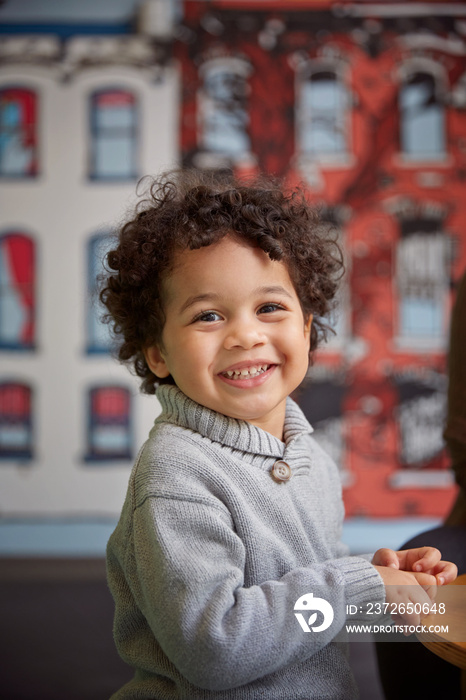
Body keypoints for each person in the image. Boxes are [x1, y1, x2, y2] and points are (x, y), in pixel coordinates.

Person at [101, 170, 457, 699]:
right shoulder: (177, 476)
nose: (246, 334)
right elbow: (217, 650)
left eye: (270, 307)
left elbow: (310, 610)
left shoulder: (310, 456)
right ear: (158, 353)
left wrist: (377, 580)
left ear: (307, 329)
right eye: (208, 315)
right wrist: (356, 587)